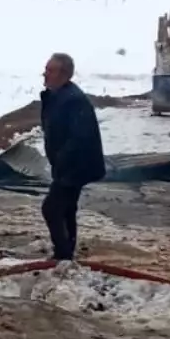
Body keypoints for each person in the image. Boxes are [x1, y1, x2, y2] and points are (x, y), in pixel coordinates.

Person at [39, 53, 105, 261]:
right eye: (46, 69)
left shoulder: (73, 100)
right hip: (68, 165)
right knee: (66, 208)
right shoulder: (57, 96)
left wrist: (61, 160)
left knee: (51, 208)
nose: (45, 74)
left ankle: (63, 255)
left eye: (50, 70)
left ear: (64, 74)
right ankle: (67, 250)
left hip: (75, 166)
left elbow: (80, 136)